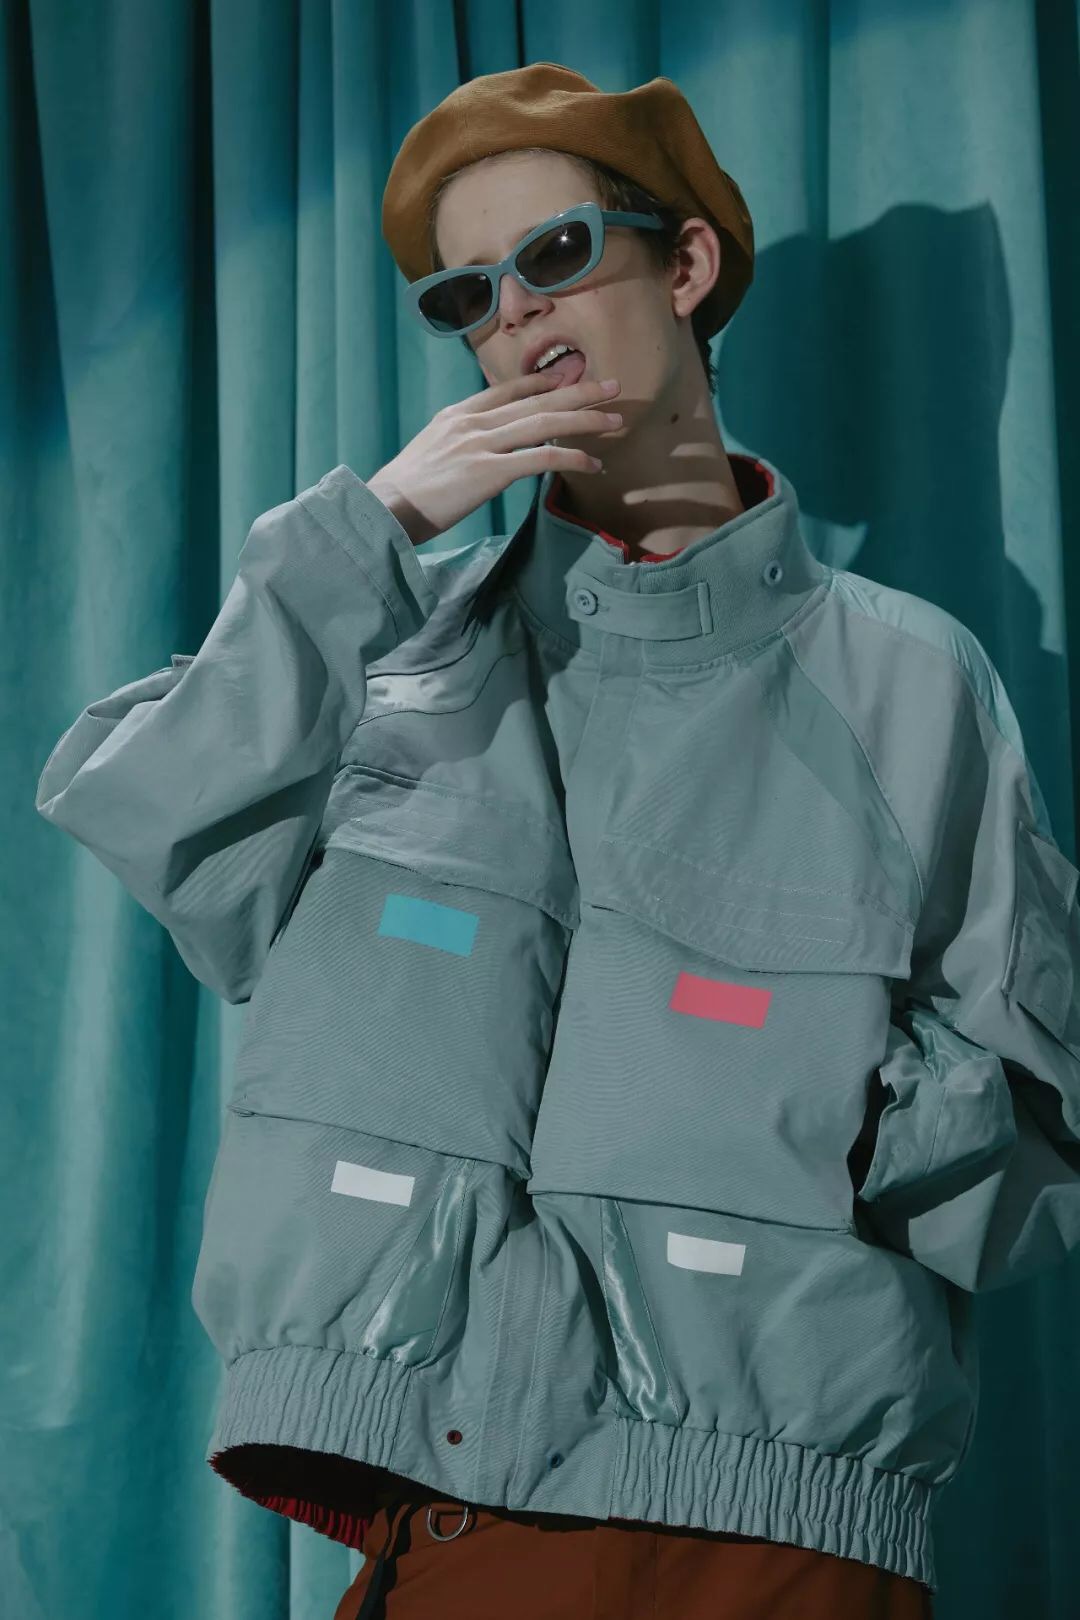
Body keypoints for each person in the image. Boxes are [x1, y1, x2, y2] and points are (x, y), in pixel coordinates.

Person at [35, 63, 1080, 1620]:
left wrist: (832, 1106)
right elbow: (157, 815)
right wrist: (374, 532)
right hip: (440, 1528)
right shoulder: (384, 654)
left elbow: (1043, 1133)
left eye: (558, 253)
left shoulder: (910, 683)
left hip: (775, 1551)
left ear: (688, 263)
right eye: (468, 293)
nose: (517, 312)